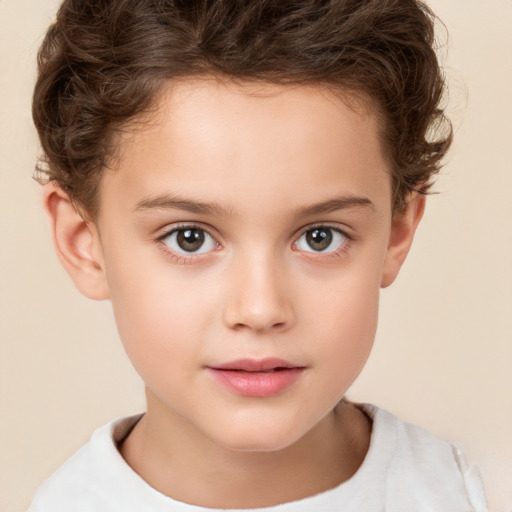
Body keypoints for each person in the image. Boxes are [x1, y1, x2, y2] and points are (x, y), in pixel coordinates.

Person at [28, 0, 488, 510]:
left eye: (320, 237)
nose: (260, 309)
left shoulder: (471, 492)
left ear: (396, 233)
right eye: (189, 238)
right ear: (84, 243)